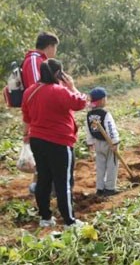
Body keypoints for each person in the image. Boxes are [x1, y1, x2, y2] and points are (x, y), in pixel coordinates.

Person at [21, 59, 87, 227]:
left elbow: (27, 118)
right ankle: (69, 221)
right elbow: (80, 103)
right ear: (58, 74)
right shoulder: (59, 91)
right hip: (59, 142)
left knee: (43, 179)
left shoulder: (29, 91)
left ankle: (45, 217)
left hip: (37, 140)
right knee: (63, 181)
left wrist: (25, 138)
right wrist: (71, 86)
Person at [21, 32, 60, 194]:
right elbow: (38, 88)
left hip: (41, 114)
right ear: (50, 46)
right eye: (55, 48)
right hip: (40, 115)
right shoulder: (34, 61)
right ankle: (40, 186)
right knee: (45, 149)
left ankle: (42, 185)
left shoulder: (38, 60)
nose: (55, 52)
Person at [85, 87, 120, 197]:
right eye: (105, 98)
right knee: (112, 164)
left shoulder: (89, 115)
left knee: (100, 166)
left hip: (97, 143)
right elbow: (110, 128)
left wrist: (90, 143)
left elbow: (88, 129)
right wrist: (114, 142)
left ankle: (100, 188)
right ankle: (110, 188)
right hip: (108, 144)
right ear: (101, 100)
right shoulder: (105, 114)